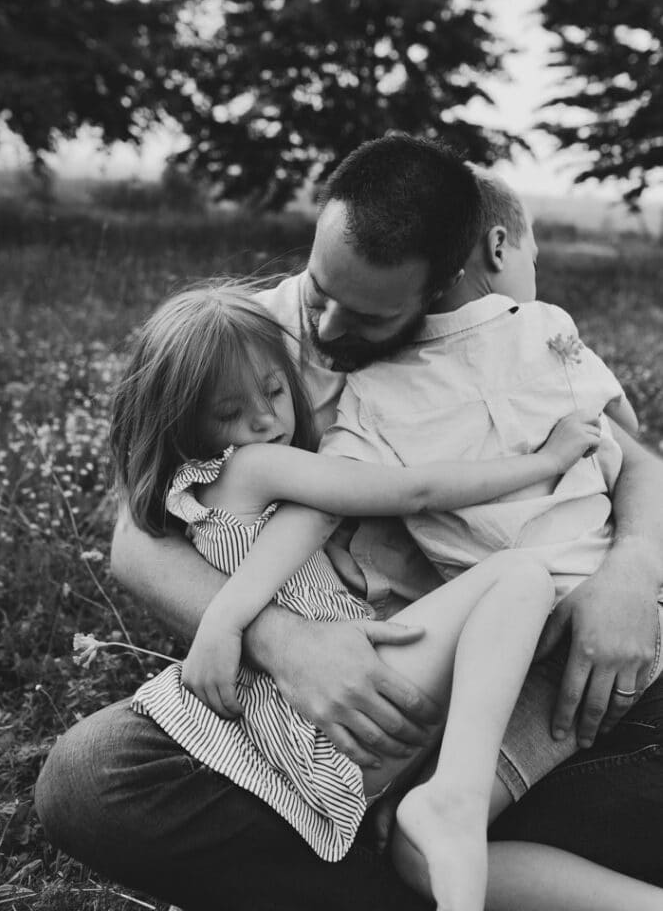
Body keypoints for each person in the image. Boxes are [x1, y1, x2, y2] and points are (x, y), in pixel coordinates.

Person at [35, 136, 663, 910]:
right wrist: (281, 642)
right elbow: (138, 539)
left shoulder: (509, 335)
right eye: (320, 286)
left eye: (368, 313)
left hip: (506, 669)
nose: (327, 324)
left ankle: (427, 850)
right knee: (87, 781)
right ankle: (436, 853)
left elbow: (630, 459)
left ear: (438, 288)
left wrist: (630, 570)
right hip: (342, 692)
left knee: (584, 733)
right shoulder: (250, 336)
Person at [109, 278, 600, 911]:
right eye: (229, 412)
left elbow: (306, 546)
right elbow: (414, 492)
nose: (263, 420)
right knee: (521, 578)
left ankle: (437, 814)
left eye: (274, 390)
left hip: (320, 732)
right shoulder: (253, 466)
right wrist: (545, 461)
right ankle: (454, 795)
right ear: (183, 421)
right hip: (339, 727)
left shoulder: (194, 494)